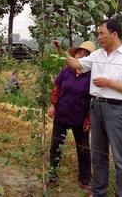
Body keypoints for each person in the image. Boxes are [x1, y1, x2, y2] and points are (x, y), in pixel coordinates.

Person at [66, 19, 122, 197]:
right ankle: (99, 192)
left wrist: (109, 83)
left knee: (120, 157)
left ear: (114, 34)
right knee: (98, 154)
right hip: (96, 107)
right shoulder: (97, 55)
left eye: (101, 33)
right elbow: (77, 64)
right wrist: (60, 52)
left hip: (116, 110)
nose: (98, 37)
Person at [47, 41, 95, 191]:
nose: (82, 55)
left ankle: (85, 179)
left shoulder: (92, 76)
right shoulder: (66, 71)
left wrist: (89, 118)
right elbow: (57, 87)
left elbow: (94, 99)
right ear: (75, 54)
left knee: (83, 149)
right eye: (80, 52)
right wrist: (53, 104)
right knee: (56, 145)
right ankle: (53, 173)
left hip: (80, 117)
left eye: (86, 54)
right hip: (62, 114)